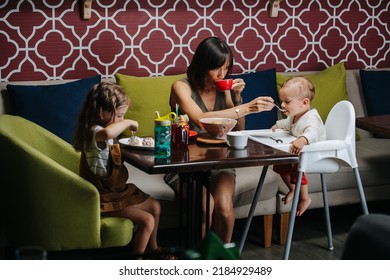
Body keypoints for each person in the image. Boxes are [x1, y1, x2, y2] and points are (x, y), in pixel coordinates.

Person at [164, 36, 275, 243]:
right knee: (205, 206)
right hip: (185, 162)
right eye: (216, 69)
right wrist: (248, 107)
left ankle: (223, 261)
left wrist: (238, 99)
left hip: (219, 159)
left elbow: (237, 130)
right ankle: (198, 261)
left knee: (223, 205)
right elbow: (200, 119)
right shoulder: (181, 87)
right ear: (202, 65)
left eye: (226, 69)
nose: (221, 75)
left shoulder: (223, 89)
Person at [73, 81, 173, 259]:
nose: (121, 119)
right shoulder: (94, 132)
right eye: (119, 115)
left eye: (123, 116)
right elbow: (108, 134)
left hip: (116, 191)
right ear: (102, 112)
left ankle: (154, 248)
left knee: (155, 206)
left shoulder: (104, 130)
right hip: (101, 197)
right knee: (147, 220)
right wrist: (128, 121)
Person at [271, 77, 326, 216]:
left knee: (296, 170)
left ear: (304, 102)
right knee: (279, 165)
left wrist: (302, 140)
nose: (282, 105)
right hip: (300, 152)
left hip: (316, 153)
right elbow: (287, 123)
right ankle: (293, 189)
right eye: (281, 101)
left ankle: (305, 198)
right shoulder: (295, 115)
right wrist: (277, 125)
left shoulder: (311, 118)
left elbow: (313, 132)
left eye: (287, 101)